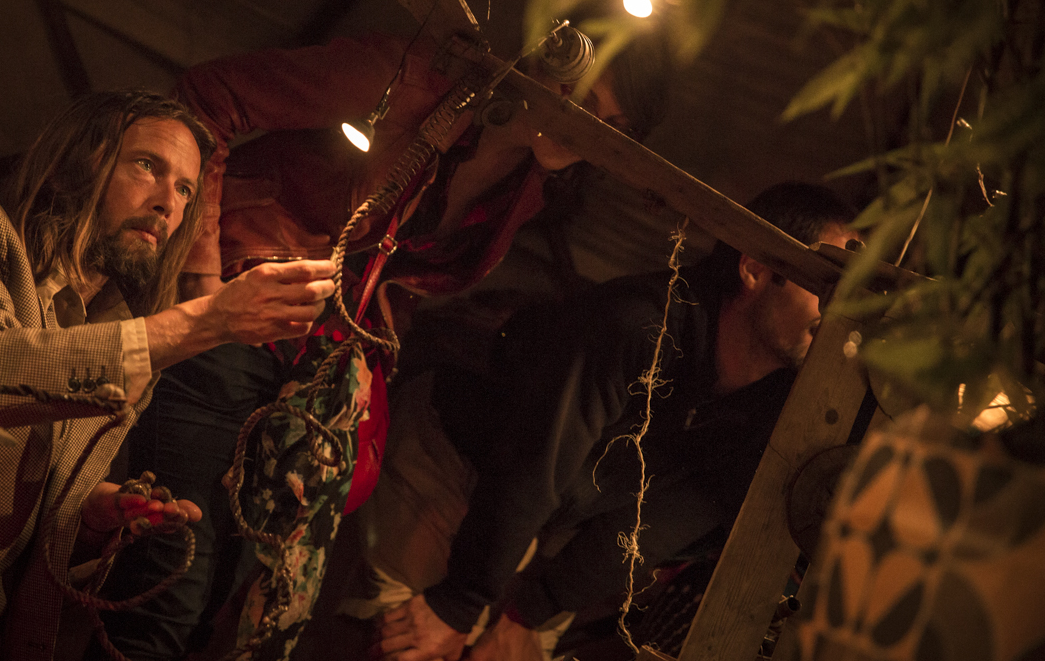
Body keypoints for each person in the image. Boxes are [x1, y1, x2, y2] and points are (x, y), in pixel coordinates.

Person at [92, 28, 672, 660]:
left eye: (609, 126)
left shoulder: (527, 186)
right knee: (171, 578)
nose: (582, 129)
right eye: (580, 99)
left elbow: (408, 270)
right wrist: (203, 278)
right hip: (239, 313)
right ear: (550, 57)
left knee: (232, 599)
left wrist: (375, 347)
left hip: (311, 366)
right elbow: (207, 96)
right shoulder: (418, 77)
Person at [0, 91, 336, 661]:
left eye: (185, 190)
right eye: (147, 166)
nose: (167, 204)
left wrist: (89, 522)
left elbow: (14, 506)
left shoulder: (118, 327)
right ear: (77, 163)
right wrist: (206, 320)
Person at [362, 182, 859, 661]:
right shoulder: (639, 325)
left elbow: (661, 521)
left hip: (544, 518)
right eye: (827, 284)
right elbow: (532, 466)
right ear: (755, 269)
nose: (841, 311)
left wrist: (530, 611)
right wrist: (459, 603)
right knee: (406, 644)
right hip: (456, 458)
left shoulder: (773, 406)